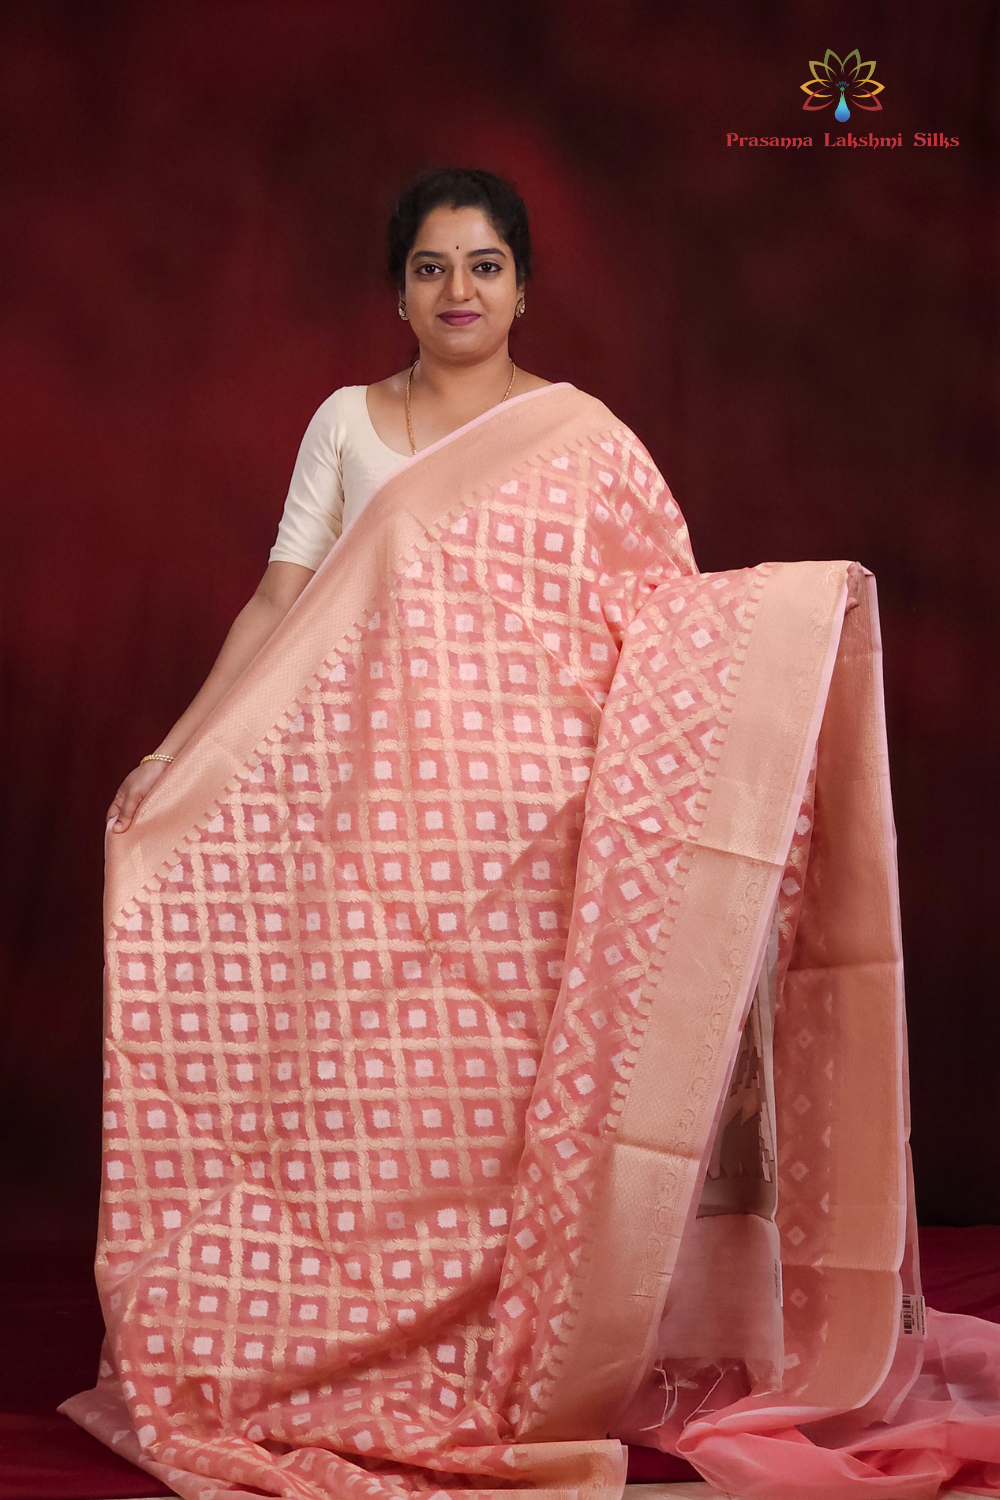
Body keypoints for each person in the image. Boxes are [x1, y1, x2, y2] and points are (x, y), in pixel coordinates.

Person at [67, 169, 1000, 1500]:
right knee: (377, 1092)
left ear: (522, 289)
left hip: (537, 822)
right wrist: (183, 746)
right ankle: (355, 1336)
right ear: (397, 293)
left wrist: (790, 618)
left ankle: (531, 1347)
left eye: (486, 265)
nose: (460, 290)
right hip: (368, 824)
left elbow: (668, 616)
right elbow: (280, 604)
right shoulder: (347, 423)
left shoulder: (585, 441)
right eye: (433, 267)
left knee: (518, 1108)